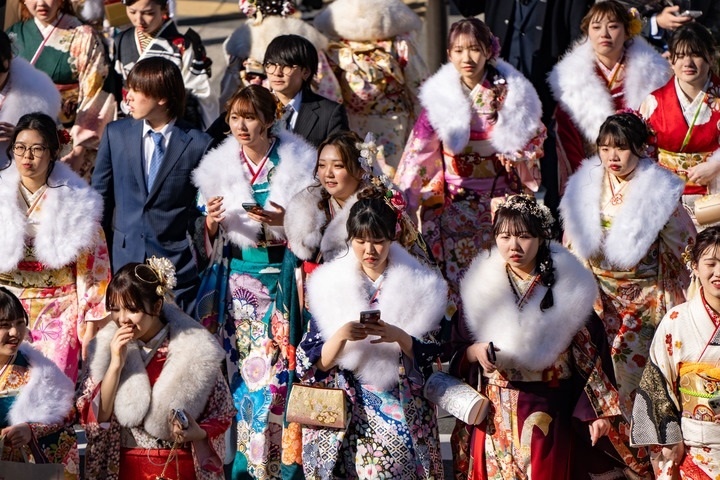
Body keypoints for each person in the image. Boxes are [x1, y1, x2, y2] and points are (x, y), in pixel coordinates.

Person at [560, 112, 696, 478]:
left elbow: (686, 246)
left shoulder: (659, 189)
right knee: (601, 379)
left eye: (620, 147)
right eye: (605, 148)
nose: (612, 156)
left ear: (639, 147)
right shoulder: (586, 183)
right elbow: (572, 242)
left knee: (640, 384)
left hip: (645, 301)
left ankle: (652, 462)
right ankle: (620, 461)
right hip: (597, 298)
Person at [192, 84, 316, 480]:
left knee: (278, 377)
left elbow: (315, 225)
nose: (241, 126)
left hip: (283, 280)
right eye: (234, 118)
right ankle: (245, 466)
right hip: (239, 285)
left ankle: (280, 467)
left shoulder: (297, 161)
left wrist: (285, 222)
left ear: (269, 119)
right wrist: (211, 222)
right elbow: (205, 231)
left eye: (250, 117)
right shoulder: (218, 165)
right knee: (245, 377)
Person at [452, 194, 621, 479]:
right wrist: (473, 352)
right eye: (504, 236)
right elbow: (456, 347)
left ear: (541, 238)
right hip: (494, 412)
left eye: (524, 236)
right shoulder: (481, 288)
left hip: (549, 405)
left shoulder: (567, 287)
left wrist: (596, 411)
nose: (513, 246)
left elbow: (593, 355)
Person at [394, 17, 545, 311]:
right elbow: (418, 153)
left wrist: (517, 152)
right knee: (456, 284)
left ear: (489, 50)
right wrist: (405, 202)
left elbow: (536, 135)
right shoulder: (440, 98)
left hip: (500, 202)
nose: (467, 58)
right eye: (459, 50)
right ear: (449, 55)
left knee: (500, 282)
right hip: (454, 202)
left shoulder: (510, 93)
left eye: (475, 49)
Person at [296, 187, 447, 479]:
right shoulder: (330, 285)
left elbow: (433, 353)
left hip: (402, 403)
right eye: (361, 241)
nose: (370, 250)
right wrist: (340, 335)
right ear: (350, 239)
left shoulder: (420, 285)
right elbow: (313, 365)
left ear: (392, 238)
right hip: (348, 409)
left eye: (378, 241)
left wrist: (398, 336)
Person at [78, 258, 235, 480]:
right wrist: (115, 364)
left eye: (132, 309)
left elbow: (223, 411)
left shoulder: (194, 350)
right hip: (126, 465)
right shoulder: (105, 347)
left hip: (179, 465)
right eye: (115, 309)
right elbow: (97, 418)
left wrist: (198, 432)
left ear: (157, 306)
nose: (122, 319)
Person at [92, 57, 211, 314]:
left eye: (137, 90)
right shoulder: (116, 134)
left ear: (162, 98)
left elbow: (201, 208)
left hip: (176, 265)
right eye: (129, 88)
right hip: (124, 260)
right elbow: (100, 198)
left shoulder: (198, 143)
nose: (129, 97)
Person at [0, 112, 110, 382]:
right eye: (20, 147)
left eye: (37, 149)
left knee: (53, 385)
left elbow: (94, 270)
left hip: (58, 310)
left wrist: (90, 322)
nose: (27, 157)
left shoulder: (79, 202)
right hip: (5, 306)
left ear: (53, 152)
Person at [549, 0, 671, 188]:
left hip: (639, 173)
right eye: (596, 27)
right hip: (589, 173)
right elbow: (567, 137)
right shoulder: (572, 81)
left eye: (613, 26)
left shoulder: (652, 77)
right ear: (587, 32)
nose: (604, 34)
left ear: (627, 31)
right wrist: (583, 180)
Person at [631, 227, 720, 480]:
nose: (718, 272)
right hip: (695, 449)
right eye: (711, 263)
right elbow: (657, 386)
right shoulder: (677, 320)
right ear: (695, 266)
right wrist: (669, 438)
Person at [313, 0, 428, 175]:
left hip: (390, 120)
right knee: (356, 169)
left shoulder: (398, 42)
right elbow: (418, 84)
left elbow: (418, 84)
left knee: (389, 174)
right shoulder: (335, 44)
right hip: (353, 121)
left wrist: (423, 123)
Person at [6, 0, 116, 180]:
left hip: (67, 139)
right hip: (20, 140)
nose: (41, 3)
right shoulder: (13, 35)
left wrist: (79, 148)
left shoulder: (83, 36)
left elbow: (95, 93)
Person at [641, 23, 720, 228]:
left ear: (711, 57)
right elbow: (642, 153)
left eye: (696, 54)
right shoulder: (654, 102)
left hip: (715, 195)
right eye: (681, 55)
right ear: (671, 59)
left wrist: (716, 165)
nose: (687, 62)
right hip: (666, 198)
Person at [209, 33, 348, 149]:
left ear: (305, 72)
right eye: (271, 65)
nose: (277, 73)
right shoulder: (248, 103)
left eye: (286, 66)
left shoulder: (329, 113)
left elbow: (342, 157)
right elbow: (207, 141)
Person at [0, 286, 78, 478]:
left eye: (20, 323)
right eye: (4, 325)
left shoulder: (39, 371)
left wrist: (31, 430)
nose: (15, 332)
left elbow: (67, 415)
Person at [219, 0, 342, 112]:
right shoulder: (302, 32)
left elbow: (230, 83)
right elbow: (323, 79)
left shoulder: (243, 36)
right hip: (296, 100)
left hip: (254, 102)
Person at [113, 0, 217, 129]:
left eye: (148, 13)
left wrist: (209, 132)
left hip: (171, 126)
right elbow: (116, 87)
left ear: (165, 8)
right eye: (132, 12)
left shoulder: (182, 46)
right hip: (131, 122)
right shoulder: (121, 40)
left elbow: (201, 92)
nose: (139, 20)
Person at [0, 30, 60, 165]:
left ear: (10, 58)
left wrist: (22, 136)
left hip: (17, 166)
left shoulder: (40, 91)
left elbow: (51, 140)